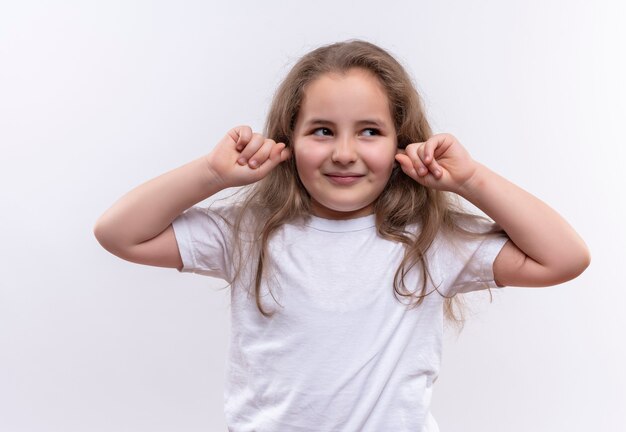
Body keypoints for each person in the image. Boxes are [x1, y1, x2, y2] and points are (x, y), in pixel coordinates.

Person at [94, 40, 590, 431]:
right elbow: (119, 233)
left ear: (403, 140)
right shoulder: (248, 231)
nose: (345, 153)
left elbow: (563, 258)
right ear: (287, 140)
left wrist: (470, 179)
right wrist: (212, 172)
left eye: (370, 131)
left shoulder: (432, 240)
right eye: (323, 131)